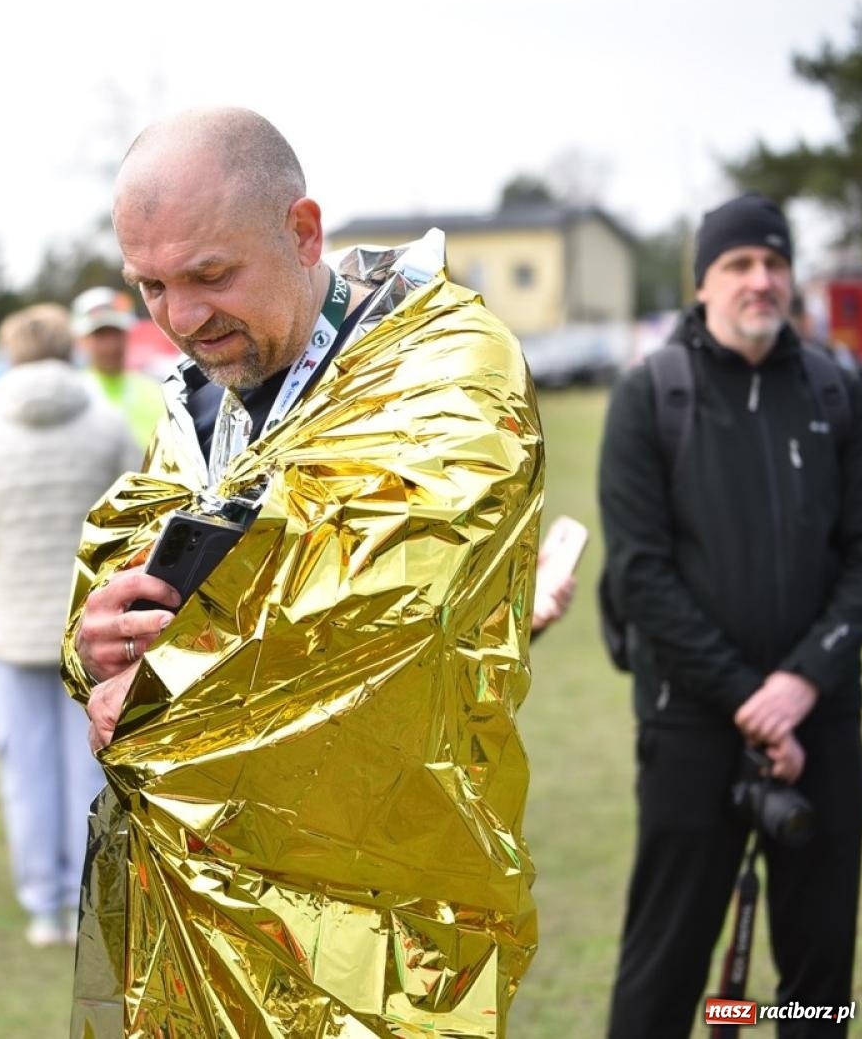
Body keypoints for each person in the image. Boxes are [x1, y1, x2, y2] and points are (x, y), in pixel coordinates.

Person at [62, 109, 542, 1036]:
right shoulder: (205, 399)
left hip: (386, 912)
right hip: (196, 912)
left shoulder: (443, 369)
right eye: (151, 286)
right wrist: (98, 642)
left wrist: (168, 689)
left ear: (303, 232)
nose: (182, 319)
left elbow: (388, 603)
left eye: (210, 275)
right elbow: (124, 565)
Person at [600, 193, 862, 1037]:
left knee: (818, 986)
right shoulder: (651, 396)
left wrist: (801, 685)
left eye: (775, 262)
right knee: (662, 977)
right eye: (739, 264)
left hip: (822, 726)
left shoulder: (838, 391)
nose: (761, 279)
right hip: (691, 726)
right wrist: (752, 701)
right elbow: (640, 576)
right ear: (703, 283)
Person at [0, 303, 140, 948]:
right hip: (93, 629)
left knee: (25, 770)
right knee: (89, 767)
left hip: (9, 624)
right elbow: (135, 523)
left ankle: (42, 902)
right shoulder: (109, 426)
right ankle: (87, 897)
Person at [72, 285, 167, 449]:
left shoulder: (156, 391)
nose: (111, 346)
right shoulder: (73, 395)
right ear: (82, 340)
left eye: (116, 334)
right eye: (100, 336)